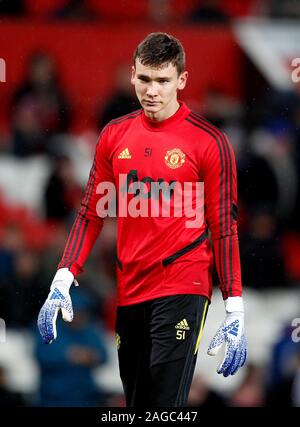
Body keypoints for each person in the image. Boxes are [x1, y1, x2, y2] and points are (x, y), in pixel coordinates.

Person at [37, 32, 247, 407]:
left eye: (163, 81)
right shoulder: (114, 136)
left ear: (181, 80)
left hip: (184, 284)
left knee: (163, 407)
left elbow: (224, 227)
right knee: (138, 405)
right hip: (131, 287)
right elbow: (90, 213)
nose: (153, 90)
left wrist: (234, 305)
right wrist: (62, 278)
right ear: (132, 75)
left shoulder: (209, 142)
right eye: (145, 79)